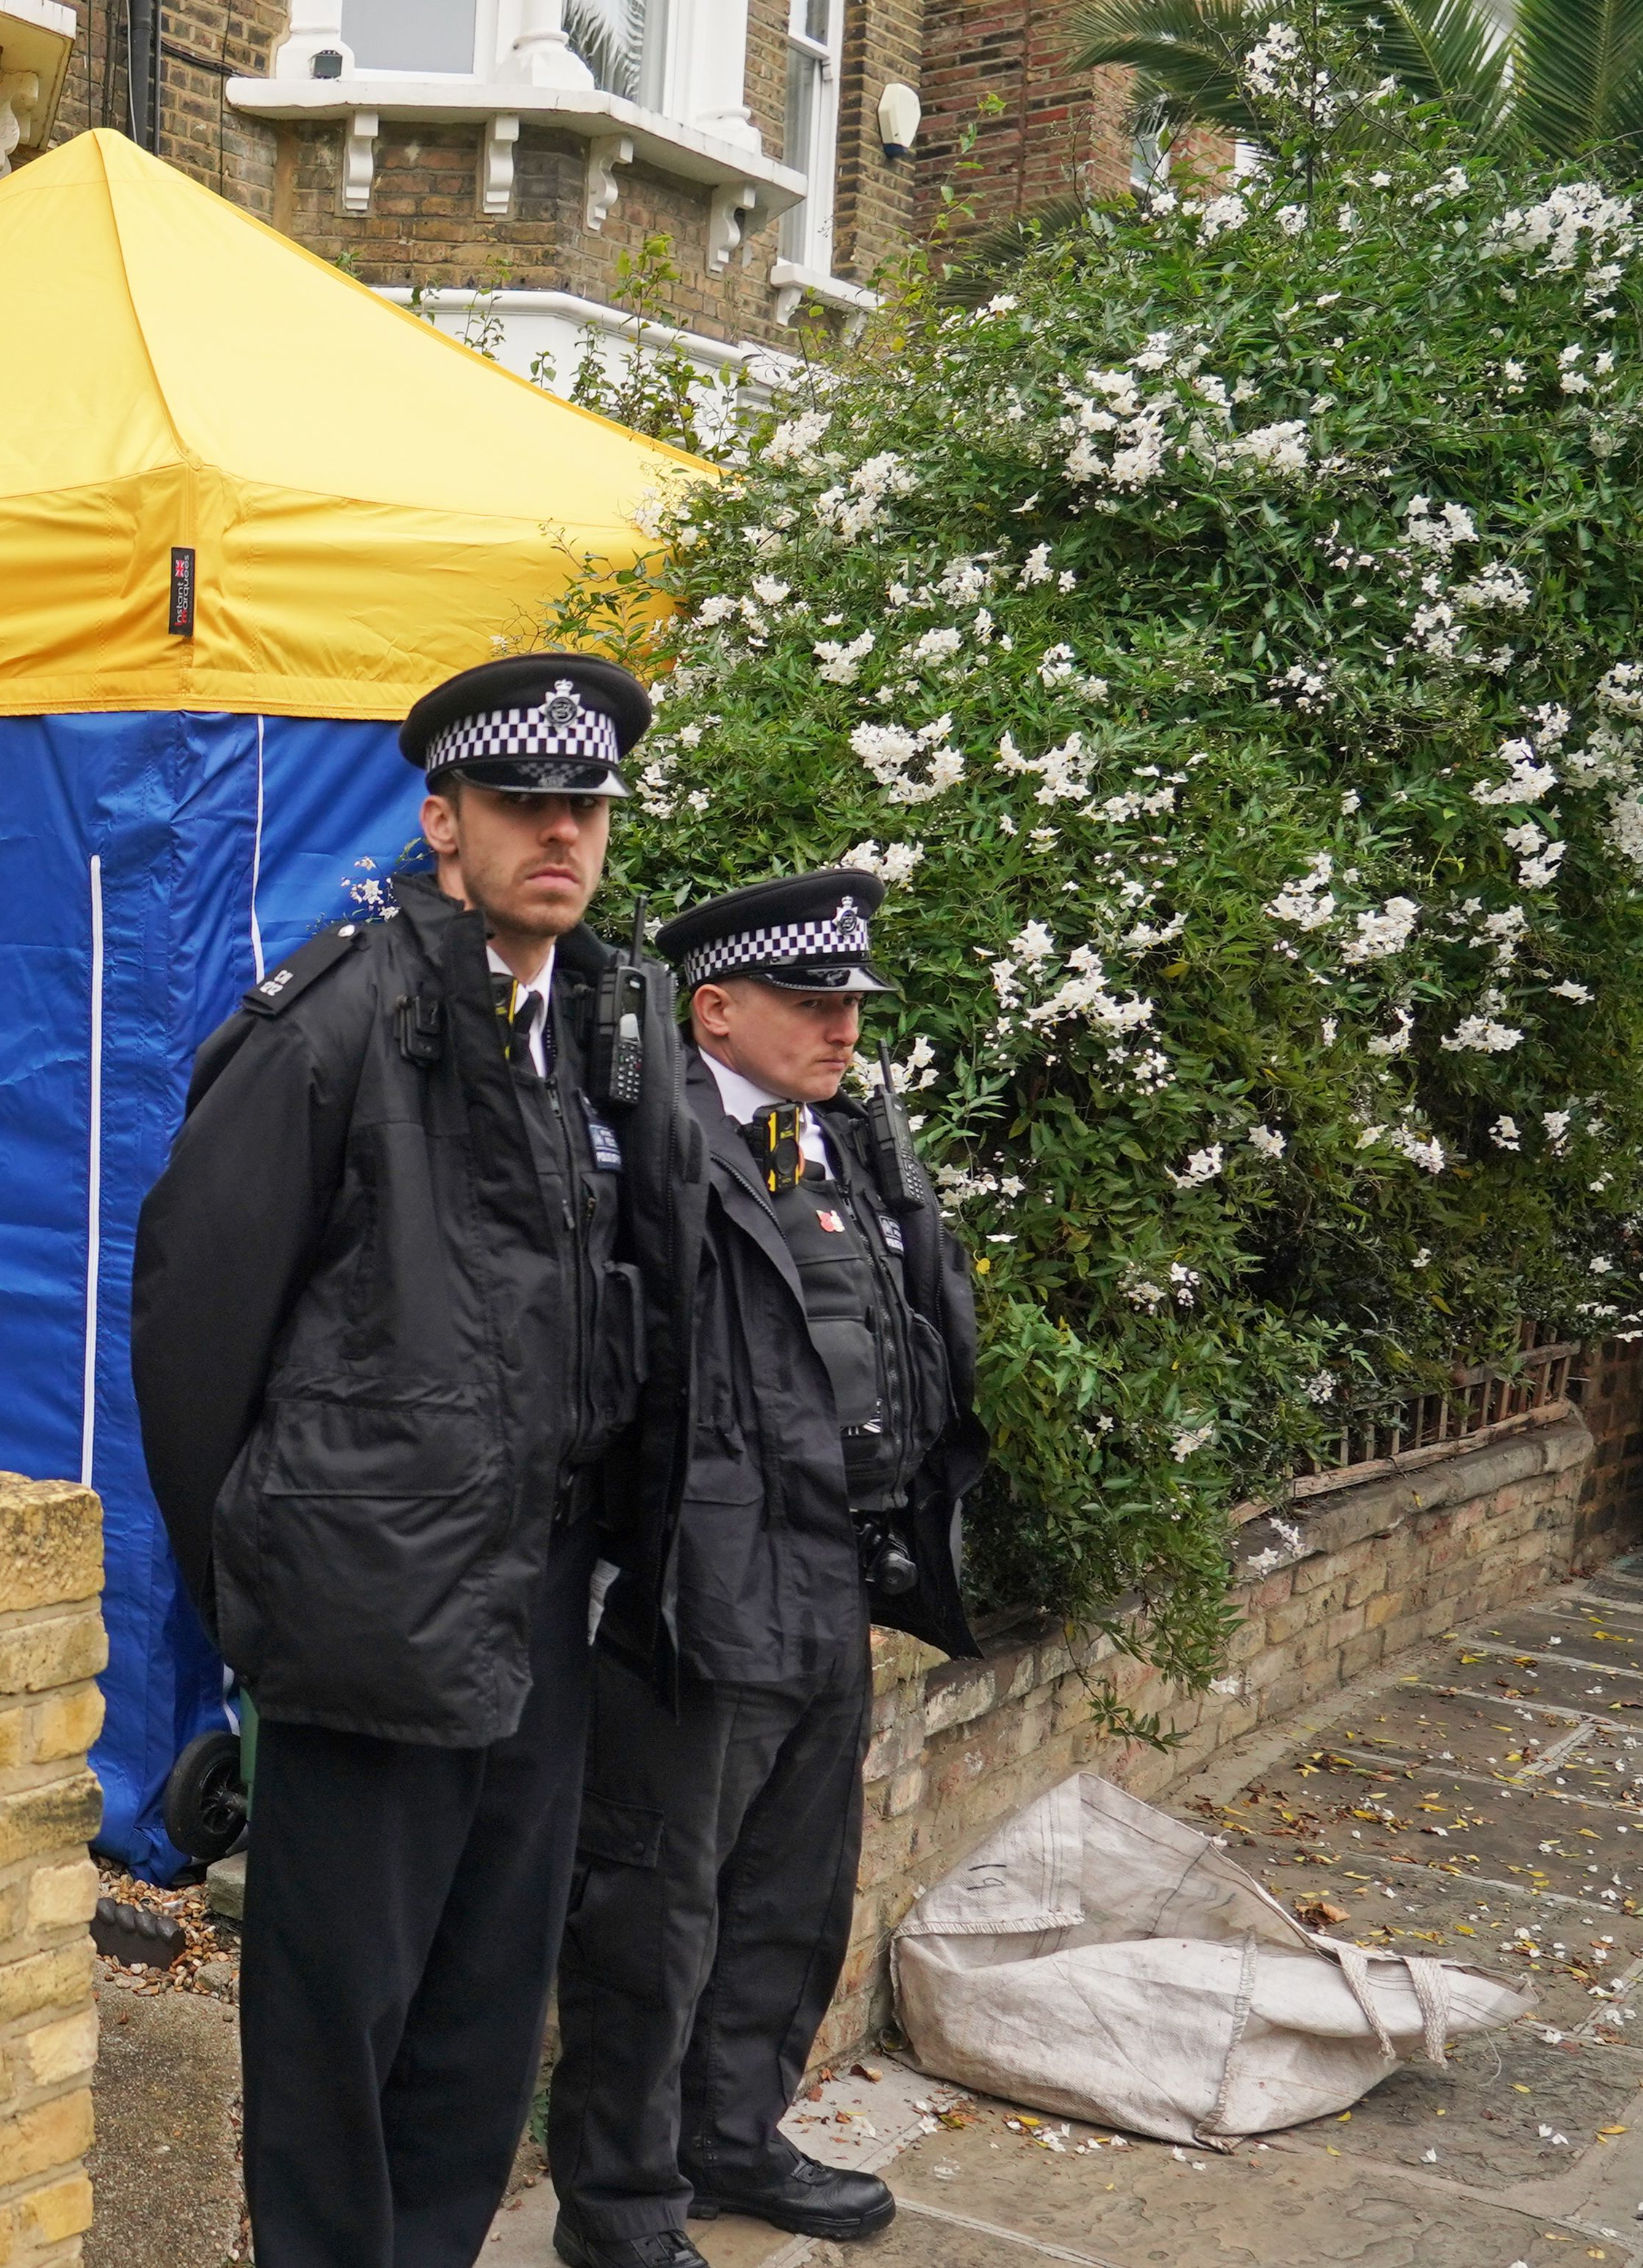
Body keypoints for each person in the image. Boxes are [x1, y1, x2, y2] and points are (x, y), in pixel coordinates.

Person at [132, 654, 681, 2268]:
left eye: (584, 807)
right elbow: (193, 1329)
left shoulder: (584, 1027)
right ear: (443, 822)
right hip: (364, 1616)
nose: (561, 834)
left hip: (532, 1613)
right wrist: (262, 1594)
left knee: (479, 2018)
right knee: (335, 2033)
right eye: (524, 805)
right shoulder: (339, 1023)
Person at [545, 868, 986, 2268]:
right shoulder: (650, 1147)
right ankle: (616, 2203)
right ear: (714, 1007)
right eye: (809, 1002)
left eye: (849, 1002)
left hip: (830, 1566)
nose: (839, 1026)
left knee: (791, 1887)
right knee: (655, 1905)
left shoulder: (836, 1139)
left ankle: (730, 2132)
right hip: (702, 1580)